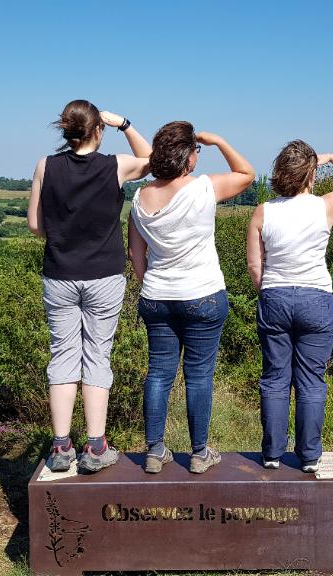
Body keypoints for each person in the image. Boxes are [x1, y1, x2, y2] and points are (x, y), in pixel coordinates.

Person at [28, 99, 151, 472]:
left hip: (60, 273)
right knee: (97, 356)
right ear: (98, 129)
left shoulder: (46, 166)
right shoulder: (114, 166)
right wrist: (126, 124)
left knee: (63, 356)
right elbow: (150, 159)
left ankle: (61, 446)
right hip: (104, 275)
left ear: (66, 131)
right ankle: (95, 447)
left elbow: (35, 225)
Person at [127, 121, 254, 474]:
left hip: (156, 296)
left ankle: (154, 451)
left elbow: (136, 255)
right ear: (188, 157)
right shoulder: (204, 188)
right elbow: (247, 173)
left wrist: (152, 284)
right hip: (202, 294)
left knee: (158, 374)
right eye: (196, 149)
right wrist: (220, 139)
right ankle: (199, 454)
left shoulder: (139, 199)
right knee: (199, 376)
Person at [245, 140, 333, 472]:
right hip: (316, 298)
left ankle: (271, 454)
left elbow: (255, 267)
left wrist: (269, 292)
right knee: (311, 380)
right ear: (311, 174)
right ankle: (310, 457)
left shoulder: (263, 211)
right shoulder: (325, 206)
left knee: (275, 378)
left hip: (275, 296)